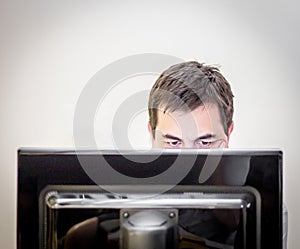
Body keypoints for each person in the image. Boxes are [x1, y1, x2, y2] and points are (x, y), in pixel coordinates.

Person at [147, 61, 287, 249]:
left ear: (228, 135)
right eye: (173, 142)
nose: (188, 160)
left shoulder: (258, 206)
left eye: (205, 143)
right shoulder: (117, 199)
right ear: (151, 134)